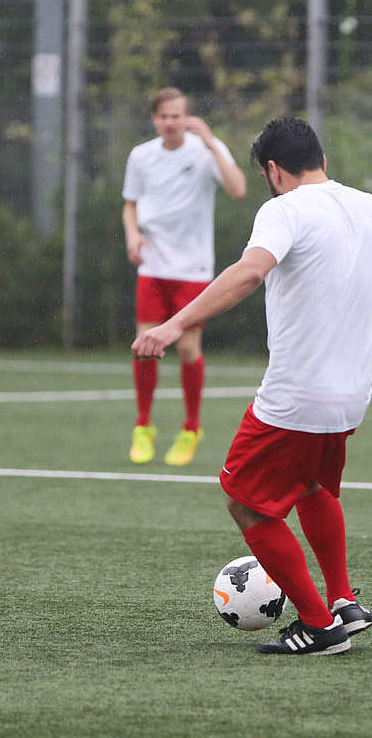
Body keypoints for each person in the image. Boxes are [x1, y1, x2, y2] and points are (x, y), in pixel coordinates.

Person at [133, 117, 372, 655]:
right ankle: (343, 600)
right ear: (320, 158)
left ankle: (319, 625)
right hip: (350, 399)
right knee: (314, 488)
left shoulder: (282, 210)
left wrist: (176, 324)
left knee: (245, 503)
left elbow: (249, 273)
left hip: (294, 398)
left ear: (273, 170)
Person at [122, 87, 248, 466]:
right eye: (163, 116)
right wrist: (133, 233)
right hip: (153, 265)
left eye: (177, 115)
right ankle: (143, 426)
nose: (170, 122)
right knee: (146, 345)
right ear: (154, 119)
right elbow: (130, 204)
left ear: (187, 117)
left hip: (192, 269)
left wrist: (211, 142)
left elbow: (238, 188)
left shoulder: (206, 150)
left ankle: (191, 428)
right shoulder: (141, 156)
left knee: (188, 349)